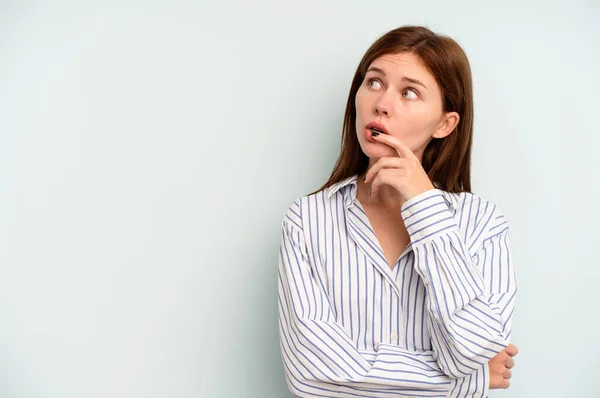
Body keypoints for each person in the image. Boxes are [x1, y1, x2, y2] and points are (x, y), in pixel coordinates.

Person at [277, 25, 518, 398]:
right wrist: (470, 382)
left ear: (444, 124)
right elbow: (311, 377)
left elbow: (471, 349)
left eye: (409, 92)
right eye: (373, 82)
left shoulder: (482, 223)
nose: (381, 103)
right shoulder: (307, 221)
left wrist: (423, 206)